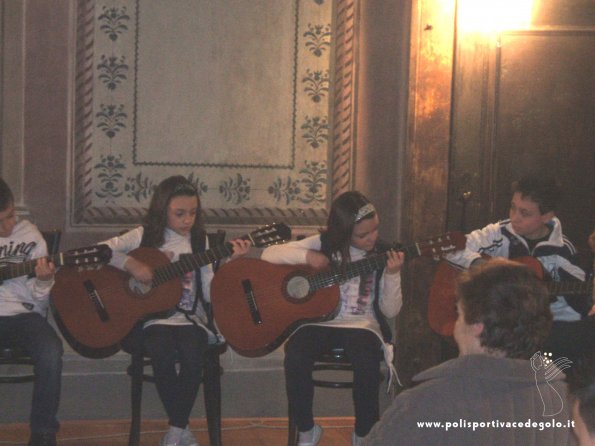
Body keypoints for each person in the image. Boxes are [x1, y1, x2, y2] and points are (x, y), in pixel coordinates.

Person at [102, 175, 251, 446]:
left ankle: (175, 430)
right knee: (161, 352)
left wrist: (228, 264)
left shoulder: (199, 242)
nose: (187, 220)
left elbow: (208, 291)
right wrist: (132, 265)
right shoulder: (143, 236)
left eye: (193, 213)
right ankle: (181, 428)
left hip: (190, 318)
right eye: (179, 213)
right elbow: (102, 251)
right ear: (162, 210)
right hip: (152, 320)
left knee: (193, 355)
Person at [362, 259, 577, 445]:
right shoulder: (565, 400)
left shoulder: (426, 402)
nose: (456, 326)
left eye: (460, 314)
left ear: (477, 326)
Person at [260, 191, 405, 446]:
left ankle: (363, 434)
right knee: (295, 354)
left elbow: (391, 310)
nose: (372, 237)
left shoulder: (383, 253)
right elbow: (268, 255)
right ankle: (307, 430)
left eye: (375, 230)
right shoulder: (324, 243)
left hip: (362, 326)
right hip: (320, 321)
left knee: (366, 362)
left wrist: (393, 275)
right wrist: (307, 257)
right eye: (363, 235)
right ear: (343, 232)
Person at [444, 175, 592, 366]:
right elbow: (452, 248)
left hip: (545, 330)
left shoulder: (563, 252)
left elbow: (578, 304)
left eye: (525, 213)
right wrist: (485, 267)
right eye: (513, 207)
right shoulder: (499, 233)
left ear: (547, 217)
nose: (515, 217)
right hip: (500, 324)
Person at [0, 178, 62, 446]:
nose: (8, 226)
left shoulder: (31, 236)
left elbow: (40, 301)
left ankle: (43, 433)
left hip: (24, 315)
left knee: (51, 350)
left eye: (11, 215)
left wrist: (45, 280)